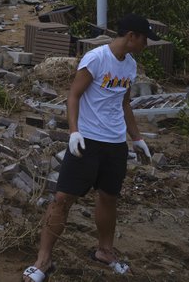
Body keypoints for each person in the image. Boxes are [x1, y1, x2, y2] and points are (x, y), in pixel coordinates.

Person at [22, 14, 157, 282]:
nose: (146, 44)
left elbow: (124, 103)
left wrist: (137, 138)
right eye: (144, 39)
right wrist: (74, 132)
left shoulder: (130, 65)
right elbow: (74, 95)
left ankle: (105, 251)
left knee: (108, 197)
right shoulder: (96, 59)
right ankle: (43, 261)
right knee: (62, 199)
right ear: (131, 36)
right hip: (87, 141)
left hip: (115, 144)